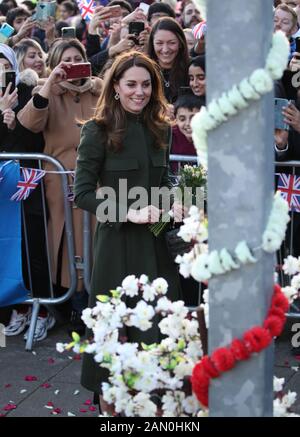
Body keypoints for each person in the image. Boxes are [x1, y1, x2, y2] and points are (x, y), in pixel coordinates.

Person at [74, 51, 183, 413]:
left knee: (157, 340)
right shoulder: (97, 129)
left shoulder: (160, 127)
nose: (140, 92)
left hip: (157, 250)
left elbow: (163, 178)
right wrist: (129, 213)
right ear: (116, 88)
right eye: (131, 84)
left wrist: (176, 200)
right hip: (116, 250)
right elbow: (83, 194)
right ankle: (111, 414)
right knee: (112, 345)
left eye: (146, 84)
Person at [18, 39, 103, 335]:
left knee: (97, 239)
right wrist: (48, 86)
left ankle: (99, 301)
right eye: (65, 60)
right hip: (61, 180)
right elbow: (28, 121)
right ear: (55, 64)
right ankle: (77, 303)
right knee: (69, 242)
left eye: (77, 58)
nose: (72, 64)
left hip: (98, 178)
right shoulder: (47, 91)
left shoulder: (99, 88)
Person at [147, 17, 190, 104]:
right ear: (152, 44)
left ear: (180, 43)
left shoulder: (192, 69)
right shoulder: (145, 70)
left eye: (172, 43)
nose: (165, 49)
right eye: (159, 43)